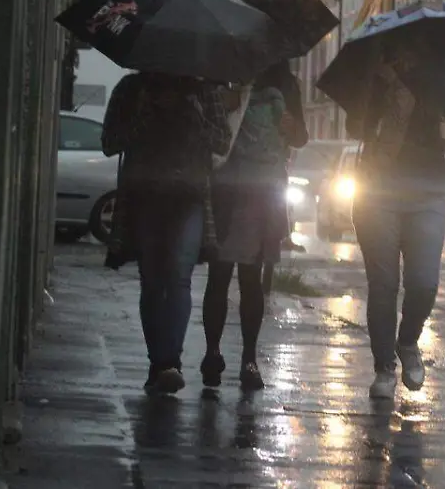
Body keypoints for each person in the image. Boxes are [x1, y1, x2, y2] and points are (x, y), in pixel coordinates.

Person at [346, 45, 445, 400]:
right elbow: (354, 127)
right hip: (378, 193)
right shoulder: (376, 78)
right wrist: (377, 88)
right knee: (383, 284)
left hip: (427, 194)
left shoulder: (441, 83)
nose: (407, 56)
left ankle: (408, 341)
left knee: (424, 283)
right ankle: (384, 368)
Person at [101, 72, 232, 395]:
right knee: (152, 280)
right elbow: (110, 143)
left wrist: (196, 118)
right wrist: (146, 114)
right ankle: (158, 362)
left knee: (177, 277)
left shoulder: (205, 93)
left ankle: (170, 362)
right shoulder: (132, 89)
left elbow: (221, 142)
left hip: (189, 198)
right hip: (144, 197)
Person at [200, 62, 308, 391]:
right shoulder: (223, 77)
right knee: (219, 275)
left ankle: (249, 359)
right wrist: (226, 104)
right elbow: (208, 130)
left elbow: (301, 137)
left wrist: (290, 126)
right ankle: (212, 352)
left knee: (252, 278)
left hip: (264, 192)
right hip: (227, 191)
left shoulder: (284, 84)